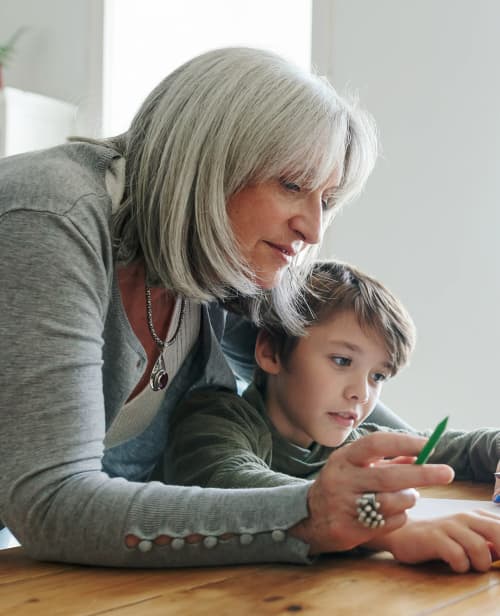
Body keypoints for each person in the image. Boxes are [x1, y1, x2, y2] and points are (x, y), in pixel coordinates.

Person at [0, 47, 456, 568]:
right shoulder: (49, 218)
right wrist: (314, 516)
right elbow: (52, 502)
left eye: (326, 201)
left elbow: (374, 419)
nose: (314, 229)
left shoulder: (214, 269)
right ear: (212, 162)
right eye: (292, 185)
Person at [169, 260, 500, 572]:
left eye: (378, 376)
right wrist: (381, 529)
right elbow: (227, 485)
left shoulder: (354, 442)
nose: (362, 393)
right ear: (270, 352)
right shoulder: (216, 417)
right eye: (342, 361)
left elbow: (459, 448)